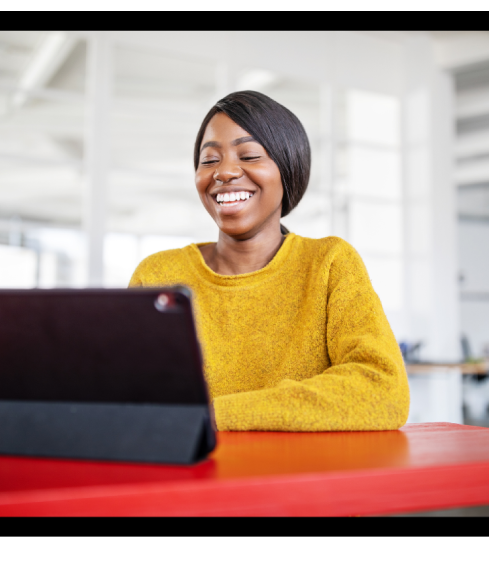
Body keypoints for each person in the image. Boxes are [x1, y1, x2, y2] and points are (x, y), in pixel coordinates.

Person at [129, 91, 409, 431]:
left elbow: (382, 390)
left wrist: (216, 415)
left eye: (248, 155)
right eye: (209, 160)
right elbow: (129, 398)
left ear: (287, 169)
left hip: (299, 480)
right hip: (191, 478)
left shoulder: (329, 263)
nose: (225, 172)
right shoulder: (159, 274)